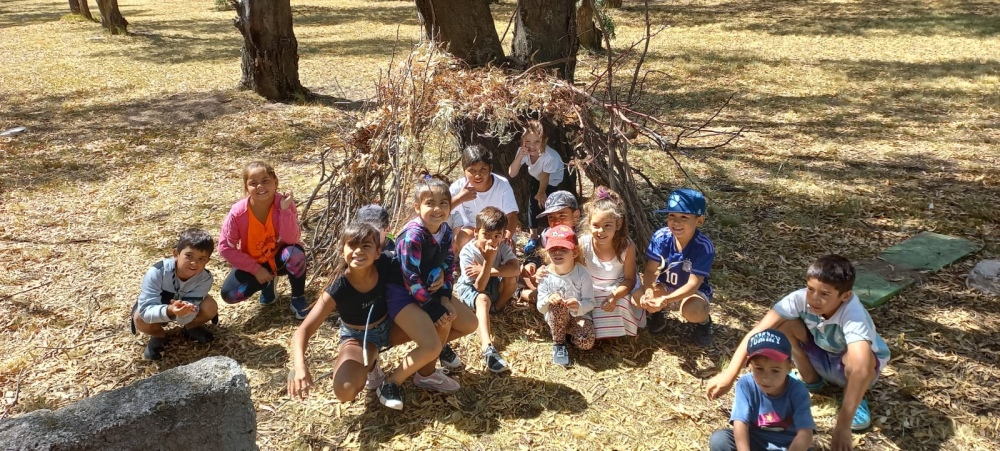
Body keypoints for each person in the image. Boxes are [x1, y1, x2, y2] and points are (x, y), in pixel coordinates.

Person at [706, 255, 890, 451]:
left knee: (861, 358)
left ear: (845, 296)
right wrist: (729, 374)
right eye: (811, 289)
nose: (814, 299)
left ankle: (854, 398)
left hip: (848, 368)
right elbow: (757, 332)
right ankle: (811, 378)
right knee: (783, 325)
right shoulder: (799, 299)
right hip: (822, 354)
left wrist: (843, 425)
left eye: (825, 294)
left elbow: (861, 368)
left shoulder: (854, 314)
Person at [378, 175, 478, 409]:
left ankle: (426, 372)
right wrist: (433, 306)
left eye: (443, 203)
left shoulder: (444, 230)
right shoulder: (413, 235)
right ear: (417, 207)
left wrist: (444, 294)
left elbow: (448, 263)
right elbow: (410, 277)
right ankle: (392, 381)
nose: (438, 209)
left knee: (468, 323)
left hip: (430, 290)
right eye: (429, 203)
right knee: (435, 334)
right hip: (403, 293)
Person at [288, 223, 406, 403]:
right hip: (359, 337)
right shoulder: (339, 286)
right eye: (352, 245)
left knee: (437, 326)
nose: (358, 251)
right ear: (342, 250)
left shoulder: (386, 263)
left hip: (392, 325)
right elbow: (302, 331)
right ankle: (371, 363)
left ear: (377, 252)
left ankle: (426, 372)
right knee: (345, 391)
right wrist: (299, 367)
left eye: (366, 245)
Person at [219, 161, 309, 319]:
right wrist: (256, 270)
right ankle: (267, 282)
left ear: (275, 182)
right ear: (247, 188)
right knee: (230, 295)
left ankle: (298, 297)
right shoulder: (238, 213)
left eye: (265, 181)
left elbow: (291, 239)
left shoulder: (284, 203)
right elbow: (225, 248)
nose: (260, 186)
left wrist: (285, 210)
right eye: (253, 183)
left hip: (279, 258)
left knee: (295, 254)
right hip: (254, 262)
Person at [709, 329, 815, 451]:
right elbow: (740, 423)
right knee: (720, 440)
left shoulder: (798, 391)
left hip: (788, 445)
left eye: (775, 370)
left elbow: (805, 433)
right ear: (750, 365)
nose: (766, 378)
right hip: (755, 441)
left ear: (789, 367)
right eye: (759, 369)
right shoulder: (746, 385)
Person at [633, 188, 714, 346]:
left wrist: (665, 299)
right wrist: (650, 291)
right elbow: (650, 270)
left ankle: (704, 323)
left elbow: (692, 284)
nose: (676, 222)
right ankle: (659, 314)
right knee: (638, 296)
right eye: (672, 216)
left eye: (684, 217)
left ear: (699, 221)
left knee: (693, 311)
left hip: (692, 292)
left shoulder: (703, 246)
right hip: (666, 286)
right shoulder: (661, 236)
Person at [131, 229, 217, 360]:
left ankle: (191, 327)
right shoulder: (157, 272)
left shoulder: (205, 278)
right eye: (189, 256)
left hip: (182, 308)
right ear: (176, 254)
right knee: (139, 318)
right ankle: (158, 335)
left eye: (201, 259)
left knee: (210, 306)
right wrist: (169, 310)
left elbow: (193, 307)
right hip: (158, 305)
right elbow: (145, 310)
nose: (194, 263)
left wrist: (183, 315)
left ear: (207, 261)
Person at [454, 207, 520, 373]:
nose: (491, 241)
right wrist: (489, 262)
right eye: (487, 235)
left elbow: (515, 269)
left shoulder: (502, 247)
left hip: (490, 280)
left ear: (503, 235)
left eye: (497, 236)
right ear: (476, 232)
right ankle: (487, 348)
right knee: (483, 299)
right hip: (472, 288)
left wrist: (487, 269)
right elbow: (478, 287)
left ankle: (497, 308)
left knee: (511, 279)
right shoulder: (467, 252)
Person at [580, 187, 645, 339]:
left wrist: (615, 296)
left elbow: (630, 279)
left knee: (620, 303)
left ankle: (618, 330)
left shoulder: (626, 247)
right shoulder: (583, 244)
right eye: (596, 225)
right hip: (591, 288)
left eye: (607, 225)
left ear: (618, 224)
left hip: (617, 288)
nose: (601, 231)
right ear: (589, 223)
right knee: (588, 305)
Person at [536, 225, 596, 366]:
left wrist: (579, 305)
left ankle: (568, 333)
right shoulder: (545, 274)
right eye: (553, 249)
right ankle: (559, 343)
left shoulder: (582, 273)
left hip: (578, 317)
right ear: (547, 252)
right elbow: (540, 307)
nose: (558, 253)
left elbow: (590, 302)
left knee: (586, 342)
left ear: (574, 252)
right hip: (556, 316)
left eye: (563, 249)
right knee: (558, 306)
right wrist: (548, 300)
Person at [449, 144, 519, 254]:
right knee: (459, 239)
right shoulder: (458, 187)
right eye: (472, 170)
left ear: (490, 168)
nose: (478, 175)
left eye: (483, 169)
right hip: (473, 228)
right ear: (464, 170)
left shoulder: (502, 184)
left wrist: (507, 236)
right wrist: (460, 198)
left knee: (507, 249)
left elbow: (512, 216)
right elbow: (442, 211)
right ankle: (457, 268)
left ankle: (500, 269)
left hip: (499, 229)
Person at [507, 120, 565, 254]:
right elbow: (512, 173)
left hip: (552, 180)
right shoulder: (522, 151)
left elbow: (546, 176)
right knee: (532, 204)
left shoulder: (549, 157)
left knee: (548, 205)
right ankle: (533, 236)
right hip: (537, 176)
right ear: (523, 140)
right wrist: (519, 157)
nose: (531, 146)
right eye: (527, 141)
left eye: (536, 142)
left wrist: (541, 192)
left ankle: (553, 234)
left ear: (544, 141)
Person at [520, 190, 581, 303]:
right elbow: (538, 253)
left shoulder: (582, 238)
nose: (557, 221)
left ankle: (525, 293)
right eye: (551, 217)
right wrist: (532, 263)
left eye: (562, 216)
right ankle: (521, 292)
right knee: (522, 270)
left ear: (576, 215)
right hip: (555, 281)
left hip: (579, 283)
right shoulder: (547, 235)